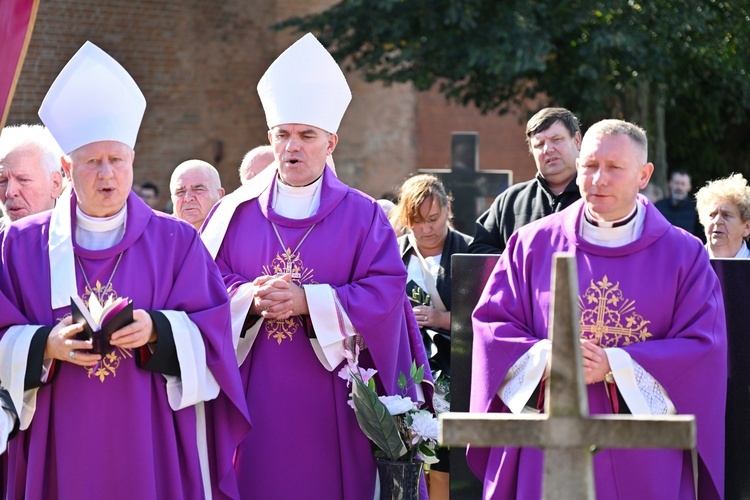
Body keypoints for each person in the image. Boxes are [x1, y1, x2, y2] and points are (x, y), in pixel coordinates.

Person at [0, 41, 250, 499]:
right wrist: (42, 344)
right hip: (57, 432)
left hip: (147, 432)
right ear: (67, 167)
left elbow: (215, 334)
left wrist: (157, 329)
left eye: (118, 160)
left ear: (133, 160)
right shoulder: (21, 244)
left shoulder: (175, 241)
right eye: (93, 162)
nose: (107, 175)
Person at [200, 33, 431, 499]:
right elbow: (204, 283)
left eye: (307, 136)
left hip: (335, 401)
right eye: (283, 135)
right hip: (254, 391)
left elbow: (385, 291)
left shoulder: (362, 214)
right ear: (269, 139)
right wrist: (249, 296)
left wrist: (310, 300)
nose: (293, 147)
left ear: (331, 143)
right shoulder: (234, 212)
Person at [468, 119, 726, 499]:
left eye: (614, 168)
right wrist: (549, 357)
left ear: (644, 174)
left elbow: (704, 347)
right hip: (549, 438)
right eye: (589, 166)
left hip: (643, 451)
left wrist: (615, 363)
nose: (597, 179)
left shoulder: (683, 254)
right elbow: (492, 326)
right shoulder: (532, 244)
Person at [391, 173, 472, 500]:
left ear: (448, 209)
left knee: (447, 458)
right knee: (405, 456)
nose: (425, 229)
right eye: (416, 222)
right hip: (405, 371)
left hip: (456, 372)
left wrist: (441, 318)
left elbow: (491, 317)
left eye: (433, 219)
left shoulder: (470, 249)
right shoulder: (394, 253)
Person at [468, 107, 582, 254]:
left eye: (556, 140)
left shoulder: (597, 195)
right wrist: (518, 264)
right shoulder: (510, 201)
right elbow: (478, 252)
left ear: (577, 140)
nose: (548, 149)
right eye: (539, 144)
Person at [0, 124, 64, 230]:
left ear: (55, 184)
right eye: (2, 181)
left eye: (23, 180)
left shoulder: (80, 238)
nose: (10, 192)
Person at [696, 173, 750, 258]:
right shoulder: (689, 264)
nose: (717, 221)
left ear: (747, 227)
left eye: (726, 215)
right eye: (712, 215)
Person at [170, 159, 225, 230]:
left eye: (198, 190)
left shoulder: (236, 233)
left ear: (220, 195)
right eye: (180, 192)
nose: (188, 198)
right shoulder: (158, 237)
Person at [655, 170, 703, 240]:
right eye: (676, 183)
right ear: (670, 184)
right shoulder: (659, 206)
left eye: (683, 184)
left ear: (689, 187)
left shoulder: (696, 209)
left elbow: (700, 237)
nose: (679, 187)